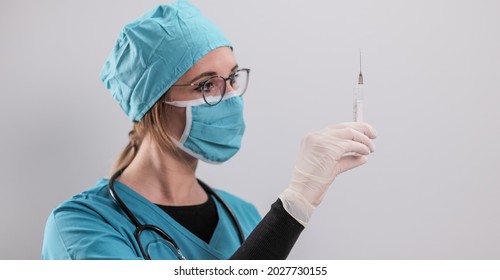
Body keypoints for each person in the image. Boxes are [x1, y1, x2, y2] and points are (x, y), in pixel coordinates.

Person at [42, 0, 377, 260]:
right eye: (206, 86)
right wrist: (295, 204)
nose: (229, 96)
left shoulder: (241, 216)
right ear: (154, 105)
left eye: (232, 79)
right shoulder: (82, 226)